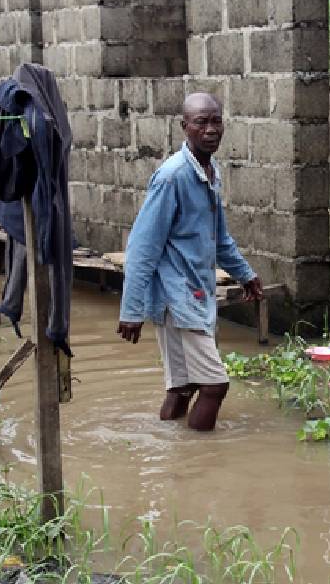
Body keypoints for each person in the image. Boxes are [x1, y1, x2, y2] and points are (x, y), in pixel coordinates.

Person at [117, 93, 264, 431]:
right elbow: (142, 248)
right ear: (185, 127)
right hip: (178, 298)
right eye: (201, 122)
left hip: (193, 293)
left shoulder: (210, 173)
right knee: (215, 385)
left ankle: (172, 453)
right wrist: (131, 310)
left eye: (216, 121)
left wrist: (246, 275)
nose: (210, 129)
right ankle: (200, 461)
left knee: (183, 389)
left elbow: (219, 238)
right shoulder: (173, 177)